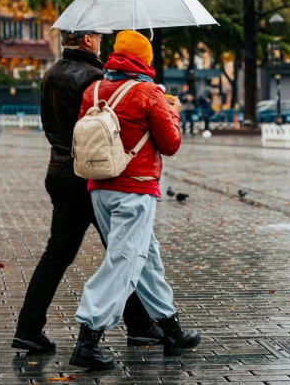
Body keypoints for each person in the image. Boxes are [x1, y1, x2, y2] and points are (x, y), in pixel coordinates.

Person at [12, 28, 161, 354]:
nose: (101, 41)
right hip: (92, 175)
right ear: (87, 39)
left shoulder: (50, 74)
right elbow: (107, 130)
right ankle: (137, 328)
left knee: (59, 254)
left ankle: (28, 328)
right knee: (124, 252)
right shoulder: (94, 77)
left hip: (59, 171)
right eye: (97, 35)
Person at [69, 30, 201, 371]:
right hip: (136, 188)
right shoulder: (148, 92)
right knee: (125, 260)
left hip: (99, 186)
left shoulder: (94, 89)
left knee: (146, 258)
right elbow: (170, 144)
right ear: (145, 60)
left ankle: (170, 328)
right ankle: (88, 337)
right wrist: (173, 111)